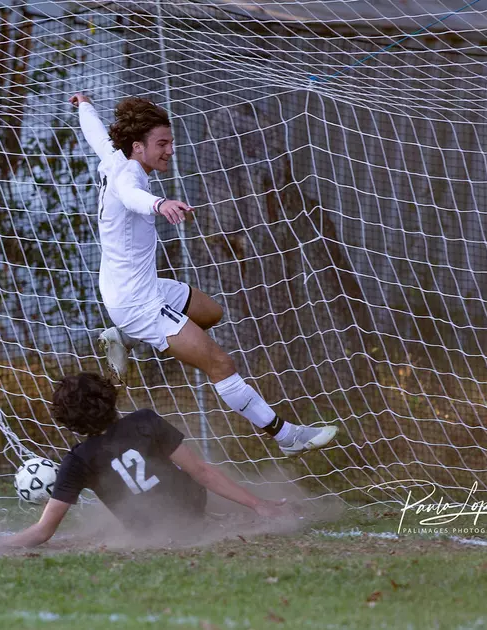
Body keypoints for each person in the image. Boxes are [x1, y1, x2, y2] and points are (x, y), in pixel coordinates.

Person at [70, 93, 338, 456]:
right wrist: (160, 204)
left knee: (211, 313)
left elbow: (96, 135)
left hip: (136, 287)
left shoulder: (115, 158)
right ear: (138, 146)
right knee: (221, 363)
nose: (170, 151)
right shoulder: (128, 177)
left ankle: (125, 337)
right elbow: (131, 196)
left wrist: (85, 106)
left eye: (171, 142)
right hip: (138, 302)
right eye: (162, 144)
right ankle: (286, 435)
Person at [4, 373, 289, 548]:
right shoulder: (145, 421)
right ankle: (213, 518)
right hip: (192, 505)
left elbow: (43, 531)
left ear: (68, 420)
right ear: (109, 397)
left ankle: (206, 521)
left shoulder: (76, 461)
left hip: (147, 531)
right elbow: (202, 472)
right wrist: (258, 505)